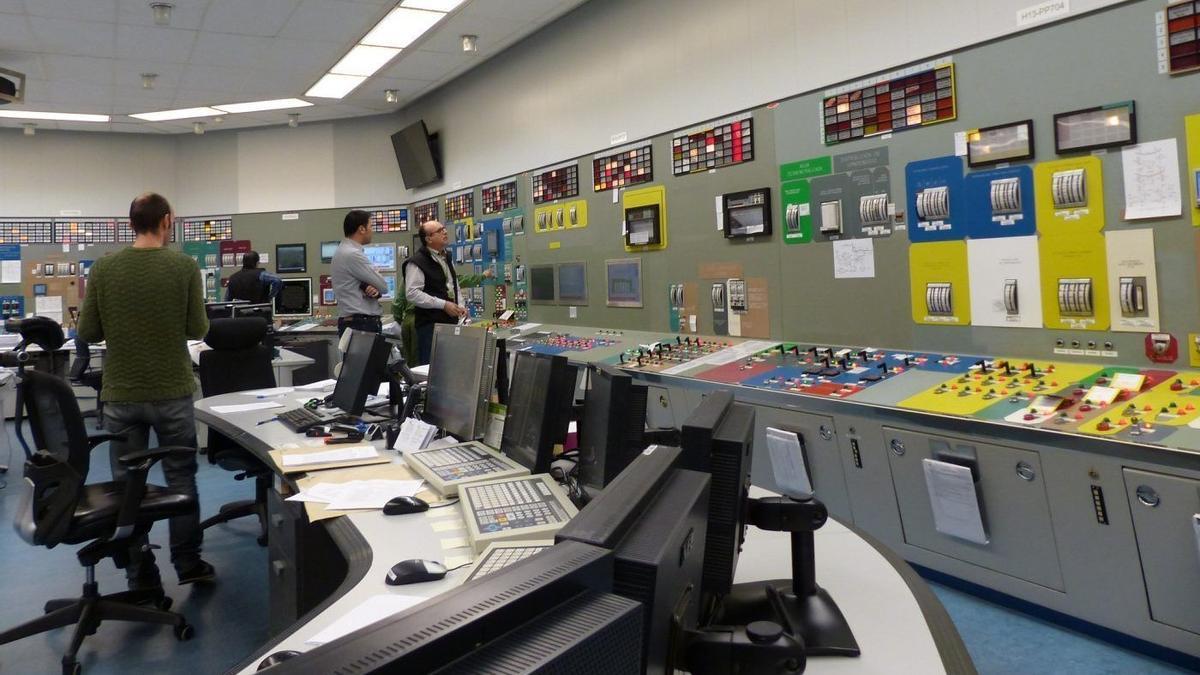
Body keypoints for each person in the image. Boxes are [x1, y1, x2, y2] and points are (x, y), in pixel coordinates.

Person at [76, 192, 213, 591]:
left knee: (126, 487)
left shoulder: (104, 269)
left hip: (120, 394)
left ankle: (139, 574)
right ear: (167, 220)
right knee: (181, 478)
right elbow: (198, 330)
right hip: (172, 392)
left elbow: (87, 332)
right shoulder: (184, 266)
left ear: (130, 222)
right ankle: (188, 563)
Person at [393, 265, 493, 366]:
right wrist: (483, 276)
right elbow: (460, 281)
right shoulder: (438, 274)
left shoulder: (411, 273)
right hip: (424, 320)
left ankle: (409, 380)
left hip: (407, 320)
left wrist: (399, 320)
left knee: (409, 359)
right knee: (423, 361)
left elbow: (398, 301)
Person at [403, 220, 470, 366]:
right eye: (439, 231)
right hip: (430, 327)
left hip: (450, 324)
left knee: (451, 368)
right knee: (433, 370)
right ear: (428, 239)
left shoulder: (446, 257)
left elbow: (453, 285)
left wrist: (461, 306)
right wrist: (443, 305)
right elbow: (412, 293)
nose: (445, 232)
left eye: (444, 229)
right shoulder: (417, 262)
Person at [331, 210, 390, 336]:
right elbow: (384, 286)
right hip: (361, 324)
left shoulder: (342, 251)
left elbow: (372, 287)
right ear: (362, 229)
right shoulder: (353, 254)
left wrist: (368, 285)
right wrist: (375, 278)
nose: (372, 230)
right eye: (371, 226)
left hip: (354, 323)